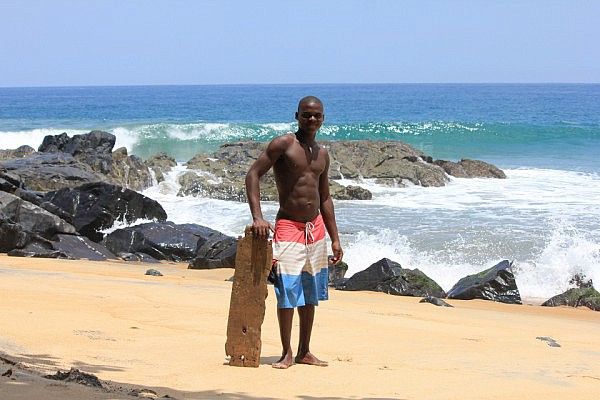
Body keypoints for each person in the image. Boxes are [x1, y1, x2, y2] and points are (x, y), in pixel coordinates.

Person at [245, 96, 343, 369]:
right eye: (306, 115)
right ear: (297, 115)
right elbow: (253, 175)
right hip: (288, 225)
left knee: (310, 292)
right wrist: (258, 217)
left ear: (323, 118)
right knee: (287, 290)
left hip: (316, 229)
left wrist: (335, 238)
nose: (312, 120)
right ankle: (286, 352)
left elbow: (324, 197)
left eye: (317, 115)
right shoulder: (284, 144)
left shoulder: (322, 153)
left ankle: (304, 351)